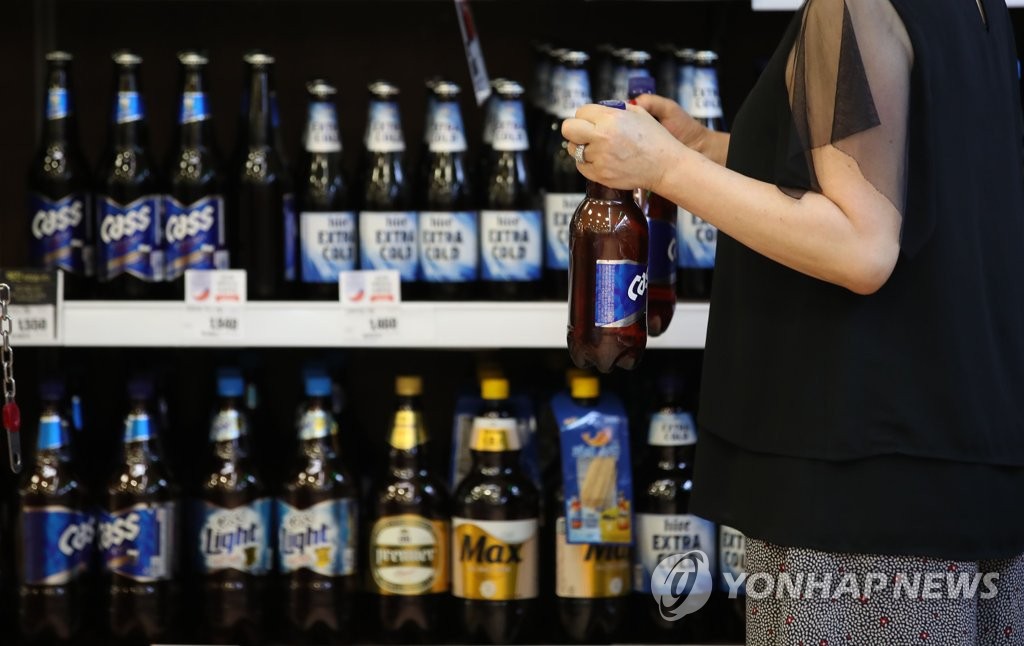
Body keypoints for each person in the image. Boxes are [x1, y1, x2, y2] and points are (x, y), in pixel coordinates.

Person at [563, 0, 1024, 643]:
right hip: (963, 474)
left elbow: (861, 246)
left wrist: (667, 167)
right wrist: (700, 147)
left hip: (859, 507)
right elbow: (888, 173)